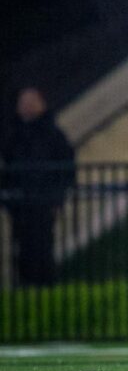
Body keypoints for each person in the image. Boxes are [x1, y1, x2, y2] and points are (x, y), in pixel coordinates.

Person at [1, 87, 74, 286]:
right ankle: (26, 288)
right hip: (21, 204)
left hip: (43, 202)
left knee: (42, 250)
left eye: (32, 102)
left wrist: (57, 198)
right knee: (22, 250)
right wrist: (9, 201)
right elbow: (7, 170)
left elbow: (66, 168)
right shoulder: (14, 136)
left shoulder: (53, 134)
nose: (28, 106)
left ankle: (44, 288)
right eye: (24, 103)